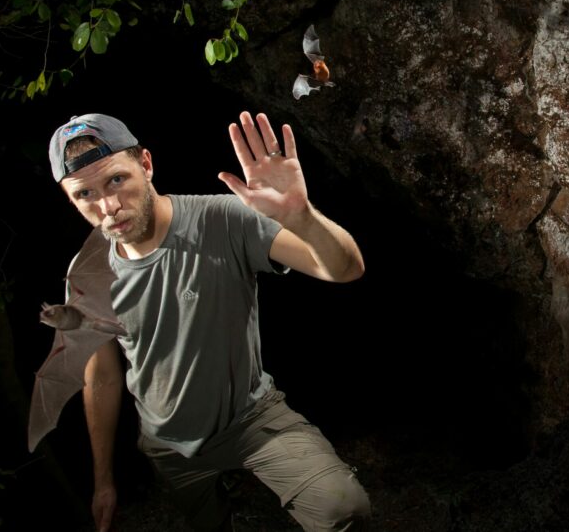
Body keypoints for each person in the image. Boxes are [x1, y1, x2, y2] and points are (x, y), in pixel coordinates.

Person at [47, 111, 371, 532]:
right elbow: (102, 376)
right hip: (166, 444)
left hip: (252, 420)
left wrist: (301, 215)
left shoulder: (223, 219)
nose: (108, 207)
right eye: (84, 193)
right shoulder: (85, 274)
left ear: (145, 164)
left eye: (116, 180)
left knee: (342, 507)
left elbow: (344, 269)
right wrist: (103, 481)